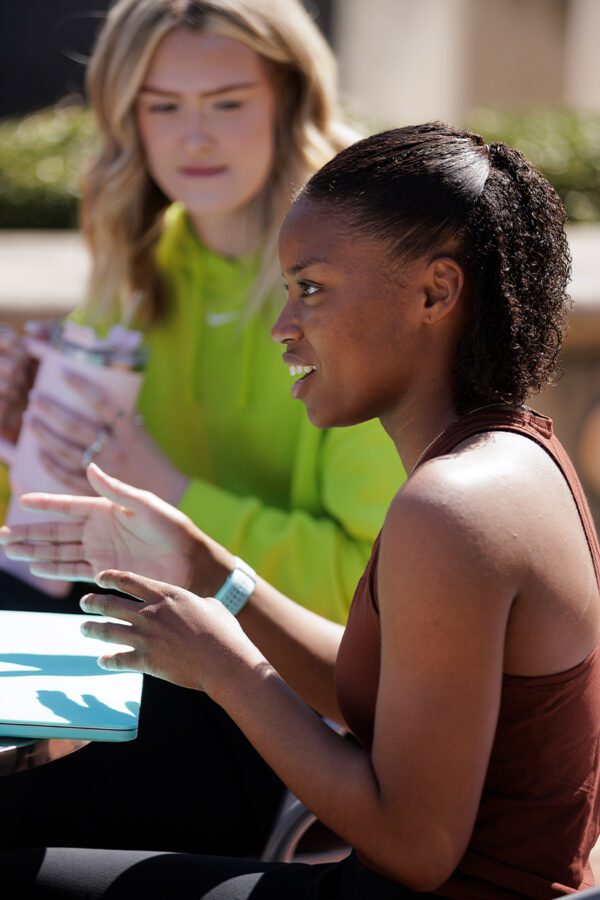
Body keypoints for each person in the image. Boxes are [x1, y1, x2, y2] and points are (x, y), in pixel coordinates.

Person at [2, 121, 599, 899]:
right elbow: (380, 698)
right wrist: (206, 569)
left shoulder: (454, 507)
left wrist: (224, 664)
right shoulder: (515, 457)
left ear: (436, 291)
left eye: (310, 288)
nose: (283, 327)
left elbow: (417, 849)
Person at [0, 0, 403, 856]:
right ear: (127, 116)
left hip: (284, 714)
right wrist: (20, 442)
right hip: (144, 652)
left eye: (226, 102)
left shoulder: (352, 286)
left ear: (288, 102)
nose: (195, 137)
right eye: (162, 105)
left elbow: (378, 594)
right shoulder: (141, 255)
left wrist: (171, 494)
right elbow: (50, 552)